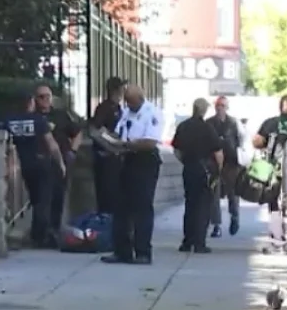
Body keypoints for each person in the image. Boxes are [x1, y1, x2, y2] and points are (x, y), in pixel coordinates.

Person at [101, 85, 163, 265]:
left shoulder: (152, 113)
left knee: (142, 207)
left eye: (132, 102)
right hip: (126, 160)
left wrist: (126, 145)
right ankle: (122, 251)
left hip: (144, 161)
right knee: (121, 207)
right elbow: (120, 133)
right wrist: (109, 139)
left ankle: (143, 251)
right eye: (127, 102)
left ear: (140, 99)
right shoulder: (127, 112)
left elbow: (150, 142)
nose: (129, 105)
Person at [5, 92, 66, 248]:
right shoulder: (38, 120)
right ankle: (41, 236)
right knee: (44, 201)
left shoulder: (9, 121)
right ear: (30, 103)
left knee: (35, 199)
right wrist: (60, 163)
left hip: (23, 165)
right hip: (41, 163)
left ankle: (36, 233)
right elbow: (52, 145)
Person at [252, 95, 287, 241]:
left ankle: (277, 233)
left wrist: (260, 144)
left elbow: (258, 141)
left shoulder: (270, 123)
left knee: (273, 198)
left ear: (280, 106)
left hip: (274, 166)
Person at [172, 98, 223, 254]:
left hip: (189, 168)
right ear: (204, 110)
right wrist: (218, 172)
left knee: (190, 205)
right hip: (205, 170)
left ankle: (187, 242)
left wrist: (186, 162)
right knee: (203, 207)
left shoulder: (183, 126)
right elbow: (218, 152)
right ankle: (199, 243)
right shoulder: (208, 128)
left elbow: (176, 150)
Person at [34, 84, 82, 234]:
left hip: (60, 161)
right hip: (39, 161)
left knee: (58, 195)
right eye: (41, 97)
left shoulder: (61, 115)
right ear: (35, 99)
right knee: (41, 198)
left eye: (48, 96)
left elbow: (77, 133)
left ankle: (54, 229)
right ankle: (40, 232)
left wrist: (72, 151)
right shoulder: (32, 116)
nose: (45, 100)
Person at [206, 96, 247, 237]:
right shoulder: (209, 123)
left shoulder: (233, 123)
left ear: (227, 107)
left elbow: (242, 141)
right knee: (214, 196)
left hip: (231, 163)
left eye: (223, 105)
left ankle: (234, 217)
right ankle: (216, 225)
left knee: (233, 195)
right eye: (218, 105)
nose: (220, 108)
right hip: (214, 164)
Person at [89, 77, 127, 215]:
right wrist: (111, 145)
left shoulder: (117, 107)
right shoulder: (104, 108)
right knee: (107, 195)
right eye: (122, 88)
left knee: (116, 196)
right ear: (116, 90)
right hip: (105, 158)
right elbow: (95, 131)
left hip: (116, 157)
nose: (124, 91)